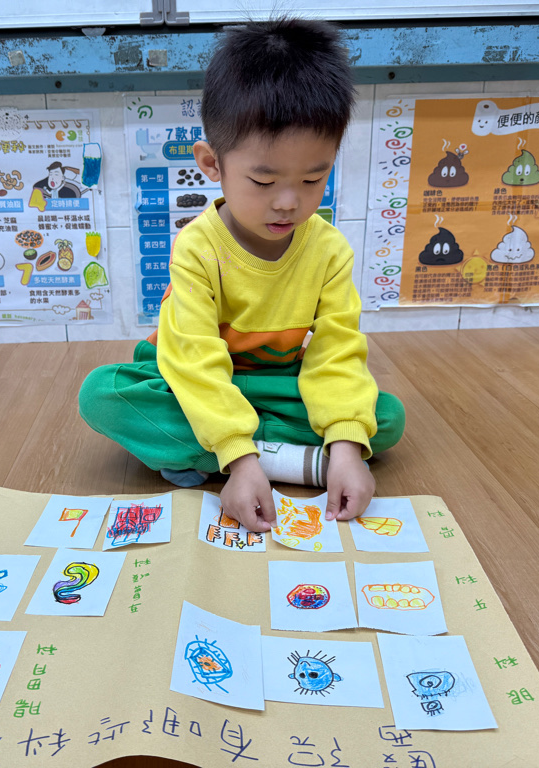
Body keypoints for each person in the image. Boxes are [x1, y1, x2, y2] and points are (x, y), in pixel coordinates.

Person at [78, 18, 405, 532]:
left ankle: (233, 455)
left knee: (383, 418)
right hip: (197, 379)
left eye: (314, 178)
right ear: (213, 164)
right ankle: (278, 460)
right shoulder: (198, 248)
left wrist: (345, 444)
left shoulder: (329, 251)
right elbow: (193, 361)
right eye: (263, 181)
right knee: (104, 395)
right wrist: (237, 452)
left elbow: (336, 354)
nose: (288, 202)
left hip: (279, 386)